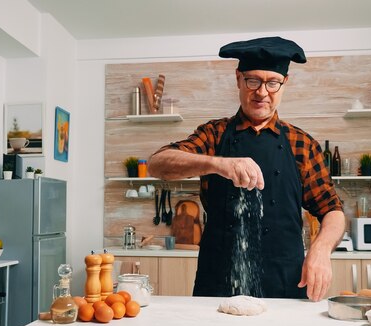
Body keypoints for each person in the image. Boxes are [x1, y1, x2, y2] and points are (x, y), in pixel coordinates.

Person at [148, 37, 345, 301]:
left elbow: (332, 210)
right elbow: (158, 163)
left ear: (284, 84)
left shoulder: (303, 144)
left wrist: (320, 250)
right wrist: (217, 163)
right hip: (218, 282)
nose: (262, 92)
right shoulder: (214, 134)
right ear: (239, 79)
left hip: (286, 281)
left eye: (272, 82)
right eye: (253, 80)